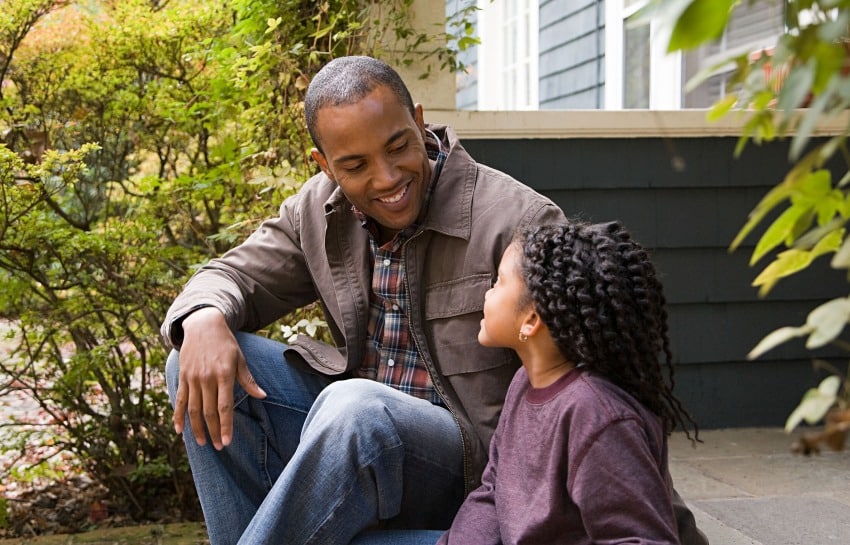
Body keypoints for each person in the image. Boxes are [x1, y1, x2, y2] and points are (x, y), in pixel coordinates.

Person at [161, 55, 705, 545]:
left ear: (419, 122)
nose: (387, 177)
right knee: (192, 360)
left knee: (357, 410)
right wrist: (203, 316)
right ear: (324, 164)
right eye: (356, 165)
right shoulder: (318, 212)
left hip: (472, 475)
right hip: (360, 451)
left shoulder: (517, 222)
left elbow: (603, 395)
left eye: (399, 146)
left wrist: (661, 522)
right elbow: (230, 275)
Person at [434, 222, 704, 545]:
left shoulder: (596, 417)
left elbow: (642, 539)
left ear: (531, 320)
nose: (487, 292)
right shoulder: (524, 383)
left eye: (499, 282)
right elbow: (493, 491)